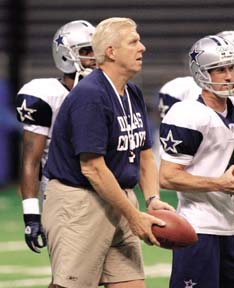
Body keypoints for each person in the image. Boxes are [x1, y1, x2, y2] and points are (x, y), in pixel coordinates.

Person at [42, 17, 174, 288]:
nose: (143, 48)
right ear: (111, 52)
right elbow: (92, 168)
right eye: (134, 41)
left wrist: (151, 199)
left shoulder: (132, 92)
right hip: (81, 202)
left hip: (120, 199)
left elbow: (145, 153)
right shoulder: (89, 95)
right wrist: (133, 215)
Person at [158, 30, 234, 285]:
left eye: (232, 68)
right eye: (219, 69)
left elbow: (231, 168)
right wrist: (218, 184)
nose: (229, 75)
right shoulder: (186, 113)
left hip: (232, 224)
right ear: (202, 73)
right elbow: (168, 177)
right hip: (198, 227)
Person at [16, 20, 96, 254]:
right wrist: (31, 215)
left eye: (96, 50)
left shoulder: (110, 91)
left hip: (106, 191)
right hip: (63, 194)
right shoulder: (44, 94)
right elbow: (30, 159)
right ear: (65, 55)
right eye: (86, 51)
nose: (94, 57)